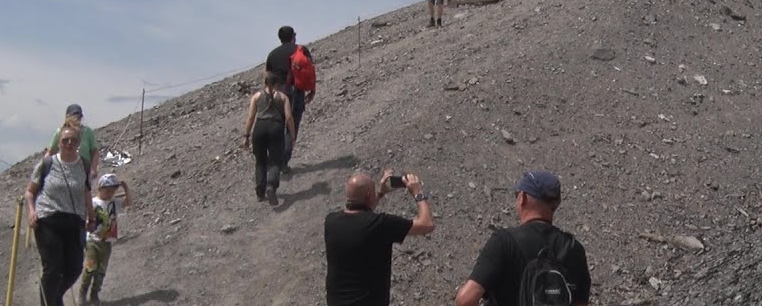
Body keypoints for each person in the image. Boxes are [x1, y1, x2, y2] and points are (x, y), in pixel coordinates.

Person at [455, 170, 592, 306]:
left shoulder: (504, 241)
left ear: (523, 198)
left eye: (517, 194)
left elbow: (465, 300)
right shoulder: (575, 249)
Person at [324, 169, 435, 306]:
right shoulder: (379, 225)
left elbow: (361, 214)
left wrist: (381, 193)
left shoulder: (331, 222)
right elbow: (427, 224)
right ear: (369, 196)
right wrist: (418, 193)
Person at [27, 122, 96, 306]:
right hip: (48, 218)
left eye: (73, 140)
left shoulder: (83, 165)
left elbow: (86, 191)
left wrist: (92, 216)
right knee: (53, 268)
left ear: (78, 143)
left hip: (74, 221)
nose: (69, 143)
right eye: (65, 140)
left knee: (74, 267)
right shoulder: (46, 164)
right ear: (59, 142)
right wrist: (32, 211)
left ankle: (54, 298)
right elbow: (30, 192)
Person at [243, 71, 297, 205]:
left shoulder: (256, 96)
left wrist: (246, 136)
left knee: (260, 161)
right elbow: (289, 117)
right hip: (276, 128)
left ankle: (260, 193)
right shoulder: (283, 97)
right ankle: (271, 186)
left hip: (260, 128)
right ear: (277, 83)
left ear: (265, 83)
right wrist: (292, 135)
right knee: (275, 160)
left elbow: (250, 117)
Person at [266, 25, 315, 172]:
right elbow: (310, 70)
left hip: (276, 94)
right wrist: (312, 90)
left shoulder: (272, 54)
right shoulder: (301, 50)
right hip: (295, 92)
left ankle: (273, 160)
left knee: (277, 126)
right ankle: (283, 162)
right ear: (293, 36)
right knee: (292, 126)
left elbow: (267, 77)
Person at [78, 173, 133, 304]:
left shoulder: (114, 203)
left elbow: (128, 203)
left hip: (107, 243)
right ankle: (82, 292)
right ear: (100, 188)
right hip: (93, 241)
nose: (109, 194)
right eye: (107, 191)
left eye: (112, 191)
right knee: (90, 268)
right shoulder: (93, 202)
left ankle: (94, 294)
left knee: (101, 271)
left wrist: (126, 189)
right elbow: (84, 215)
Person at [46, 104, 99, 180]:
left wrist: (93, 168)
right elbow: (51, 151)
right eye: (74, 115)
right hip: (64, 170)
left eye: (79, 115)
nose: (77, 118)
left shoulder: (87, 132)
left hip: (83, 170)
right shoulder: (60, 132)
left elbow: (94, 152)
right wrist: (43, 167)